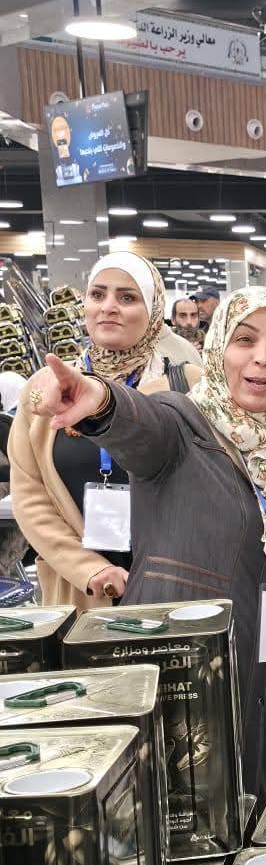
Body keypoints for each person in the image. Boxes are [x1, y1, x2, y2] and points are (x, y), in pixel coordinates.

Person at [23, 287, 266, 804]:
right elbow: (141, 425)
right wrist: (100, 400)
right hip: (186, 676)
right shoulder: (183, 424)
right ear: (217, 347)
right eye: (245, 340)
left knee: (255, 804)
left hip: (261, 667)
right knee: (185, 814)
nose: (263, 358)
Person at [10, 254, 200, 609]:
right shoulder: (45, 390)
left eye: (127, 297)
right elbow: (30, 497)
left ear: (153, 310)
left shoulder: (189, 385)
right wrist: (89, 569)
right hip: (80, 593)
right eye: (97, 295)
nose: (108, 307)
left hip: (173, 587)